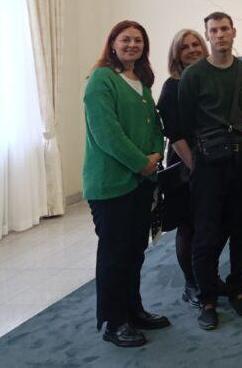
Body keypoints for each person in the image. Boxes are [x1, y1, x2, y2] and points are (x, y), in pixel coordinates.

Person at [83, 20, 168, 347]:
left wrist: (156, 155)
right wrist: (141, 162)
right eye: (126, 39)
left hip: (141, 182)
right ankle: (114, 322)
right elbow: (107, 133)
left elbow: (155, 126)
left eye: (138, 40)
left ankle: (134, 310)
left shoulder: (141, 81)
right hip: (111, 183)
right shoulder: (101, 79)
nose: (132, 45)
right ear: (113, 43)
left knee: (134, 252)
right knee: (115, 254)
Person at [178, 11, 242, 330]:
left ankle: (237, 289)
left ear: (234, 32)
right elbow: (185, 123)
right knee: (207, 234)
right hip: (208, 167)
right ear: (207, 36)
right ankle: (208, 298)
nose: (220, 35)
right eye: (214, 30)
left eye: (225, 29)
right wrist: (198, 162)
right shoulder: (194, 75)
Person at [157, 29, 208, 307]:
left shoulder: (209, 78)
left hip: (212, 160)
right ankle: (191, 284)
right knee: (188, 226)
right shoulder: (171, 87)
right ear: (176, 54)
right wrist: (195, 168)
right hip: (185, 164)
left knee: (208, 225)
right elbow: (175, 134)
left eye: (196, 44)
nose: (192, 50)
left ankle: (207, 278)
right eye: (184, 47)